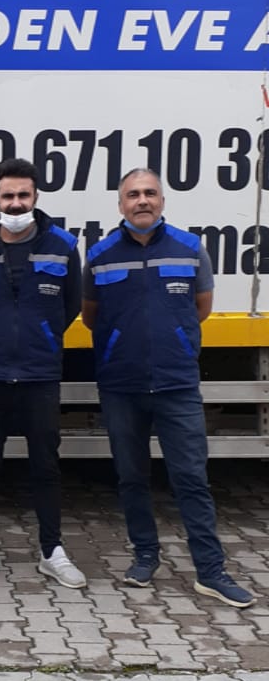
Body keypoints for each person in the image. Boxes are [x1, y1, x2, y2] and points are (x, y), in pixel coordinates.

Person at [81, 167, 254, 608]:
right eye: (133, 194)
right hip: (121, 385)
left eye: (150, 193)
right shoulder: (100, 254)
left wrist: (172, 339)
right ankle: (145, 556)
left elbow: (201, 307)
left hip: (177, 384)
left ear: (162, 200)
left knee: (191, 478)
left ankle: (210, 572)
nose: (142, 200)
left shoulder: (189, 248)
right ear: (120, 205)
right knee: (131, 476)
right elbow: (91, 316)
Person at [0, 158, 86, 592]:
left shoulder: (63, 246)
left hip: (39, 375)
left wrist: (41, 336)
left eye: (23, 195)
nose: (15, 203)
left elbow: (70, 306)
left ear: (35, 197)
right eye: (8, 196)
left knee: (46, 466)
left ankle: (52, 551)